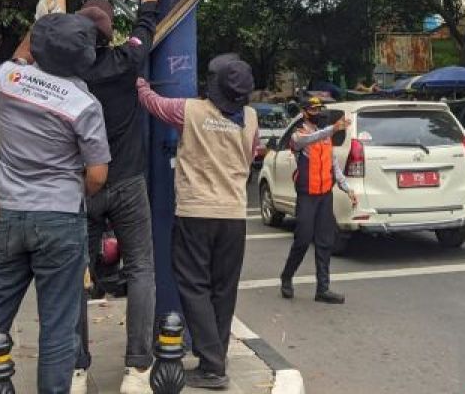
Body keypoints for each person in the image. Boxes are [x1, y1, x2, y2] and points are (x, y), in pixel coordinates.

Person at [0, 7, 111, 394]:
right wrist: (72, 189)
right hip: (60, 219)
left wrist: (45, 17)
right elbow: (97, 175)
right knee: (58, 325)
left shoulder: (8, 79)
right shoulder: (84, 104)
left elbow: (23, 51)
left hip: (10, 216)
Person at [69, 0, 166, 394]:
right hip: (128, 181)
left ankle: (75, 368)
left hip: (82, 185)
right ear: (110, 35)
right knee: (142, 268)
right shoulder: (127, 60)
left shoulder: (63, 75)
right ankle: (137, 371)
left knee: (73, 273)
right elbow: (148, 19)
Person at [135, 54, 261, 390]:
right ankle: (214, 360)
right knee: (223, 290)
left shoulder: (188, 110)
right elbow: (251, 156)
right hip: (234, 215)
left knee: (193, 286)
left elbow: (151, 102)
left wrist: (139, 78)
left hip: (195, 212)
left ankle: (213, 365)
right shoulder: (250, 118)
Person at [279, 97, 356, 304]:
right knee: (303, 239)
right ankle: (287, 276)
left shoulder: (324, 136)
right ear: (304, 112)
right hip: (307, 196)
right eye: (314, 108)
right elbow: (310, 139)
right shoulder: (299, 135)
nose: (318, 111)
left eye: (320, 108)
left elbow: (334, 165)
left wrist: (347, 188)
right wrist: (333, 128)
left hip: (325, 196)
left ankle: (323, 288)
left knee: (325, 242)